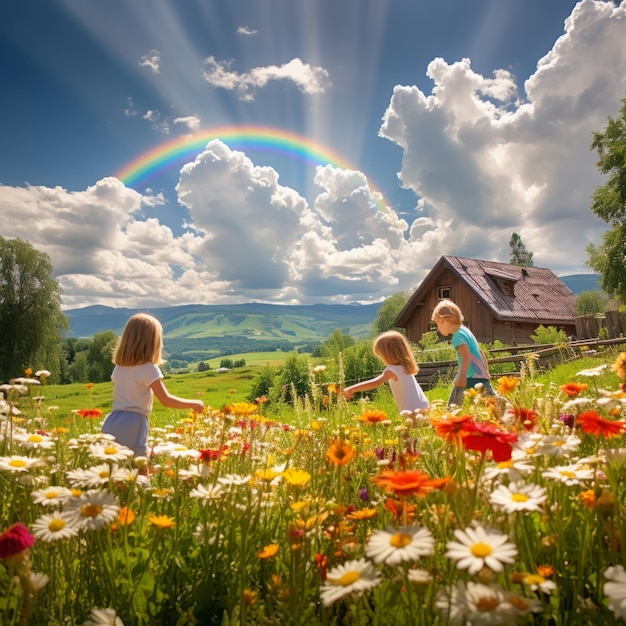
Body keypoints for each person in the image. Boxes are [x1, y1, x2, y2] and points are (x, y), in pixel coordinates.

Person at [102, 313, 204, 473]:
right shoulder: (149, 369)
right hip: (134, 422)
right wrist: (194, 403)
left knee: (115, 472)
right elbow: (166, 400)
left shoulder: (119, 368)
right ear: (152, 343)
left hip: (112, 421)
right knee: (140, 471)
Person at [342, 330, 430, 417]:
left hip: (412, 410)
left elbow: (375, 382)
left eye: (381, 355)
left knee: (413, 430)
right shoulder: (405, 366)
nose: (381, 358)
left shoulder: (392, 370)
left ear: (388, 354)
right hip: (423, 405)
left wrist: (350, 389)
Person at [431, 299, 497, 408]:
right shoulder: (465, 331)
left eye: (437, 324)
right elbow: (480, 352)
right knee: (492, 403)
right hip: (480, 375)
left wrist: (461, 377)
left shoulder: (457, 336)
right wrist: (486, 371)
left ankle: (449, 420)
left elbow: (466, 357)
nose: (438, 329)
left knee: (454, 405)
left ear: (443, 320)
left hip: (469, 377)